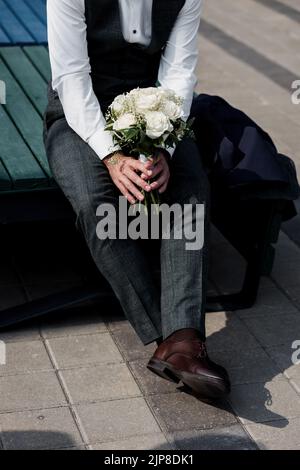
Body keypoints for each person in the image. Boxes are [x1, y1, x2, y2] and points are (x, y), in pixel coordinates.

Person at [44, 0, 230, 400]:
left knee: (189, 192)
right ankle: (174, 339)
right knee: (97, 202)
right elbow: (72, 77)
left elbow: (179, 71)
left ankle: (181, 343)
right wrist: (112, 157)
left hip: (156, 110)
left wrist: (163, 146)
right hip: (79, 115)